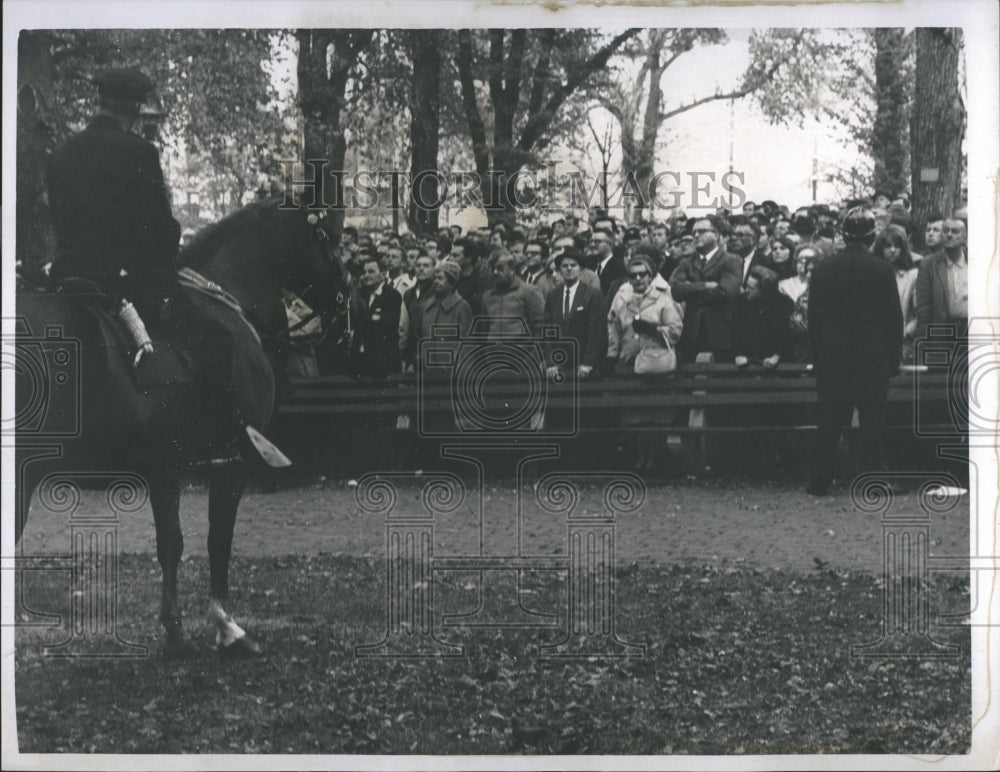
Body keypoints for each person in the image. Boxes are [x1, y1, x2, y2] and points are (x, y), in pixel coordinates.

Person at [46, 67, 278, 460]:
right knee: (216, 337)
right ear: (136, 109)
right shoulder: (139, 152)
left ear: (100, 102)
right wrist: (169, 251)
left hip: (65, 280)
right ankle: (224, 444)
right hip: (123, 283)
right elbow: (158, 231)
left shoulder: (61, 154)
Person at [806, 208, 903, 496]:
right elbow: (894, 320)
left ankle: (819, 479)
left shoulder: (823, 269)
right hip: (872, 358)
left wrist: (819, 356)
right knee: (872, 421)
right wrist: (893, 360)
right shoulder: (882, 269)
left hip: (832, 358)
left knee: (830, 418)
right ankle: (874, 480)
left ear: (844, 235)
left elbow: (814, 320)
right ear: (872, 237)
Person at [606, 254, 684, 470]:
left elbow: (676, 330)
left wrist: (653, 329)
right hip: (630, 362)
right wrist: (612, 354)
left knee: (656, 413)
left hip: (656, 364)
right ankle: (640, 456)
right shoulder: (623, 299)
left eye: (642, 274)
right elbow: (613, 327)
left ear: (650, 276)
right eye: (633, 275)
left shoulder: (663, 298)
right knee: (635, 413)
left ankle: (655, 456)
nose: (638, 279)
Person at [669, 215, 742, 363]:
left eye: (701, 231)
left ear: (716, 235)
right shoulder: (686, 262)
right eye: (694, 232)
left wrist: (690, 291)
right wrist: (706, 285)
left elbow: (726, 292)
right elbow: (675, 291)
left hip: (721, 336)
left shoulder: (731, 260)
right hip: (691, 336)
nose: (696, 235)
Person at [543, 247, 606, 380]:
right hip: (559, 365)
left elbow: (597, 331)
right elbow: (549, 331)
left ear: (581, 269)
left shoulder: (592, 295)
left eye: (573, 265)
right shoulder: (553, 296)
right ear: (559, 270)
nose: (569, 269)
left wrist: (588, 363)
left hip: (584, 365)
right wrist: (551, 362)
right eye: (565, 266)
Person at [915, 217, 968, 340]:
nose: (949, 235)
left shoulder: (976, 263)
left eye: (955, 231)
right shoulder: (929, 264)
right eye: (946, 230)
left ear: (965, 237)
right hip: (943, 334)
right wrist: (924, 342)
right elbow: (924, 309)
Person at [351, 256, 403, 381]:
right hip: (361, 360)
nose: (366, 275)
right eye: (364, 272)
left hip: (383, 362)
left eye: (371, 271)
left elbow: (385, 327)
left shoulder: (392, 296)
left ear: (383, 274)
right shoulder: (361, 295)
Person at [873, 225, 919, 362]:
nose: (892, 250)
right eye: (888, 246)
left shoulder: (912, 275)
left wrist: (906, 332)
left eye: (897, 246)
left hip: (903, 343)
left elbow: (920, 312)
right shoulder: (872, 274)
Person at [733, 266, 794, 368]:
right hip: (746, 361)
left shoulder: (785, 304)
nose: (746, 290)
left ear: (765, 291)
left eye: (751, 288)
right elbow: (735, 331)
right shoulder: (741, 301)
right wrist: (738, 354)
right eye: (747, 285)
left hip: (775, 362)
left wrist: (777, 356)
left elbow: (787, 335)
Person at [480, 252, 544, 338]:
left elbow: (540, 327)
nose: (495, 272)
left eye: (500, 268)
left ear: (511, 269)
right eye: (492, 269)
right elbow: (485, 329)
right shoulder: (488, 296)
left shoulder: (530, 292)